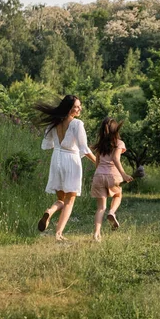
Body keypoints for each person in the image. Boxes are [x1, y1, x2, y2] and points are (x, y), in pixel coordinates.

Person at [35, 95, 96, 241]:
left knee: (61, 199)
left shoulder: (54, 123)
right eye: (76, 106)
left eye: (79, 105)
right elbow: (84, 148)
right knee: (70, 201)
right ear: (69, 108)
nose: (79, 108)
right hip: (71, 160)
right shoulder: (77, 124)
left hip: (56, 159)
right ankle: (58, 234)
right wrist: (97, 162)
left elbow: (47, 144)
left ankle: (49, 211)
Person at [90, 117, 133, 242]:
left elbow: (97, 162)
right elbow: (115, 158)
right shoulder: (119, 143)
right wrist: (124, 175)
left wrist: (98, 175)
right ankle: (112, 212)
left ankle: (96, 235)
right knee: (118, 195)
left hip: (98, 176)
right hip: (113, 175)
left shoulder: (100, 144)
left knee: (100, 207)